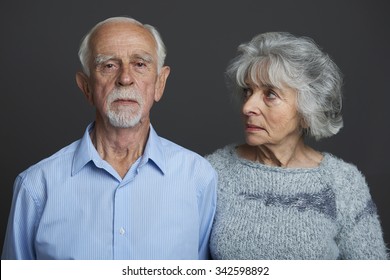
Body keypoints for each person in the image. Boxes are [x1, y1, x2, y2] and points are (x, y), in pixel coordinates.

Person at [2, 16, 217, 260]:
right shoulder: (36, 187)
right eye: (108, 65)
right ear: (86, 87)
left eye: (140, 64)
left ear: (160, 83)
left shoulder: (198, 178)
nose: (125, 78)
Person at [206, 32, 388, 259]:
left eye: (270, 94)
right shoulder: (212, 172)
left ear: (306, 110)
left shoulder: (342, 182)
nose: (247, 107)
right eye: (248, 91)